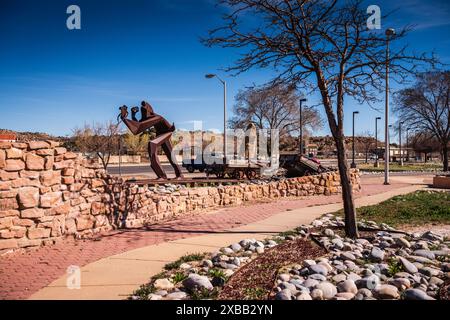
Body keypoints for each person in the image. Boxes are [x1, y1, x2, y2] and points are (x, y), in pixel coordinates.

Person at [119, 101, 183, 180]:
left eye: (144, 112)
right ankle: (178, 174)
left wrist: (124, 117)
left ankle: (162, 176)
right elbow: (138, 127)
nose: (143, 116)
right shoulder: (149, 118)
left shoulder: (157, 117)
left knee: (152, 144)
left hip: (167, 133)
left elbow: (138, 128)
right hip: (160, 134)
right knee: (170, 154)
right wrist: (132, 115)